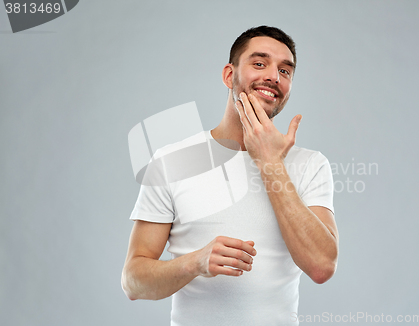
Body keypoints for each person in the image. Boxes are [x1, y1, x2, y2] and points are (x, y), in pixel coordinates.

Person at [121, 26, 339, 325]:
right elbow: (134, 282)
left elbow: (321, 267)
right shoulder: (173, 160)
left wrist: (270, 163)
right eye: (259, 63)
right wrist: (195, 263)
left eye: (285, 71)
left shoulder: (310, 165)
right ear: (229, 75)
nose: (274, 76)